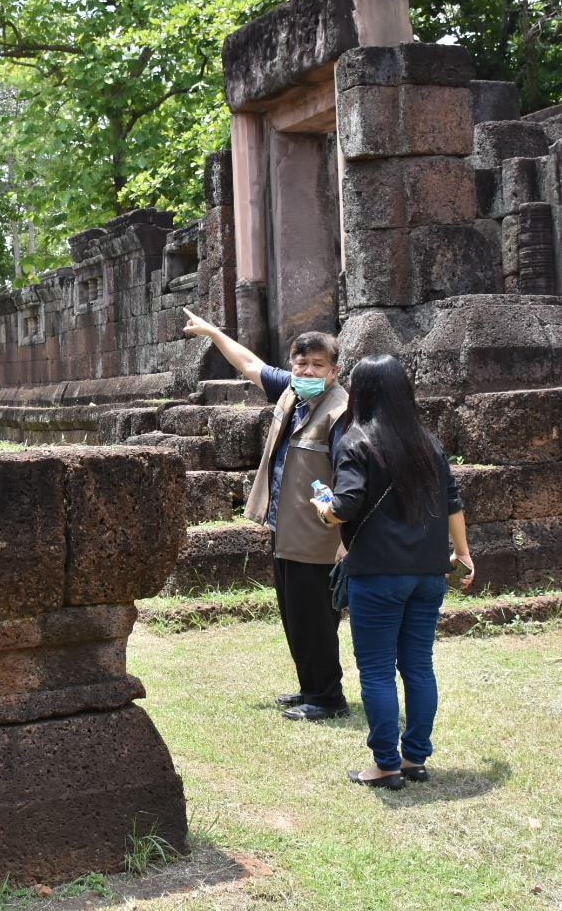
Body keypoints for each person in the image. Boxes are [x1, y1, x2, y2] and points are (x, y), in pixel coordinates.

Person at [314, 354, 475, 790]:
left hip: (378, 575)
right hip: (428, 573)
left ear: (361, 392)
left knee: (378, 671)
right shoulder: (428, 442)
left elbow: (344, 506)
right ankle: (414, 758)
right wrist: (462, 552)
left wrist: (323, 510)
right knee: (419, 666)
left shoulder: (356, 440)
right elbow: (452, 501)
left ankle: (386, 765)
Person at [183, 307, 350, 721]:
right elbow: (249, 364)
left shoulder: (340, 412)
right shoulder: (292, 392)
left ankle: (328, 698)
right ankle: (311, 687)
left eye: (317, 365)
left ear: (333, 371)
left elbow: (351, 477)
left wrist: (346, 536)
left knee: (315, 617)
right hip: (286, 526)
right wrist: (213, 333)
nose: (307, 371)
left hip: (320, 533)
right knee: (294, 613)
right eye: (301, 363)